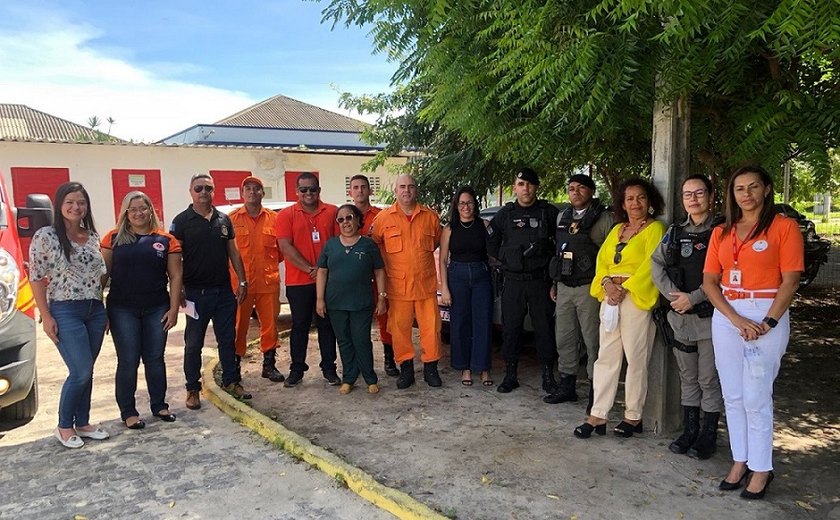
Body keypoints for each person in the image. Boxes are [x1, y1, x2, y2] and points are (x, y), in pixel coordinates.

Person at [703, 165, 803, 500]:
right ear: (732, 194)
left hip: (766, 315)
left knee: (756, 396)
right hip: (728, 315)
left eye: (753, 187)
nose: (746, 195)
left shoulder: (784, 227)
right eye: (739, 189)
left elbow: (790, 281)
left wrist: (768, 322)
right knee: (732, 394)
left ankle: (762, 468)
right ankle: (740, 460)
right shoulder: (722, 231)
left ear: (767, 189)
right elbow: (710, 283)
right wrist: (734, 319)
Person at [574, 177, 666, 439]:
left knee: (636, 359)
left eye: (640, 198)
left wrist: (624, 287)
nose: (635, 203)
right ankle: (598, 415)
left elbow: (652, 265)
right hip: (610, 300)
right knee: (606, 358)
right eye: (629, 198)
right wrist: (607, 285)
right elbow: (602, 262)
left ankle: (633, 416)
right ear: (622, 204)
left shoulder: (655, 229)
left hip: (635, 299)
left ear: (649, 202)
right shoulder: (616, 231)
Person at [30, 181, 110, 448]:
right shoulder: (46, 236)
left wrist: (103, 307)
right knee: (80, 370)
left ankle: (83, 422)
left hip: (95, 310)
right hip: (65, 310)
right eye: (71, 202)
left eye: (81, 202)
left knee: (88, 369)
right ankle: (64, 425)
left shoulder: (92, 236)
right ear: (60, 205)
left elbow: (99, 276)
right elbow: (36, 277)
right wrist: (46, 316)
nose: (76, 207)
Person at [651, 175, 723, 459]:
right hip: (680, 317)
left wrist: (692, 298)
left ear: (711, 195)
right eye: (687, 194)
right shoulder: (675, 231)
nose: (693, 199)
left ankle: (708, 435)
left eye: (699, 193)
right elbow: (656, 264)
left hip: (708, 318)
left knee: (708, 379)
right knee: (688, 377)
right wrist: (674, 297)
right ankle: (690, 430)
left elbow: (725, 273)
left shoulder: (721, 230)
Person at [101, 191, 183, 429]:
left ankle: (159, 405)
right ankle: (128, 411)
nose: (138, 213)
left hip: (157, 308)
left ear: (151, 211)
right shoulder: (113, 238)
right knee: (128, 361)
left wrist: (174, 309)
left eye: (142, 208)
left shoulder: (166, 240)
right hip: (121, 309)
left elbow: (176, 276)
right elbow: (102, 275)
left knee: (155, 359)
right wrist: (99, 310)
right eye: (132, 209)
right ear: (126, 213)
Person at [170, 173, 250, 410]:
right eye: (198, 188)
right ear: (191, 191)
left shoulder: (224, 220)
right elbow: (175, 259)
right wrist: (178, 288)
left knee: (227, 339)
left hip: (223, 292)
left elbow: (234, 253)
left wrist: (242, 282)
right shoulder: (181, 221)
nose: (203, 192)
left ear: (214, 191)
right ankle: (192, 389)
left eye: (208, 188)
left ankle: (231, 381)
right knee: (193, 343)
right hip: (195, 294)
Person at [486, 167, 560, 395]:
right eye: (520, 184)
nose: (525, 188)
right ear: (514, 188)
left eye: (529, 184)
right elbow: (490, 241)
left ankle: (548, 375)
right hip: (513, 281)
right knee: (511, 329)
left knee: (544, 328)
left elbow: (562, 243)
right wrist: (507, 259)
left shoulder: (548, 212)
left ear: (536, 187)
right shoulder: (505, 215)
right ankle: (510, 374)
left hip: (540, 281)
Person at [545, 174, 613, 406]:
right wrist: (554, 284)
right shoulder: (562, 216)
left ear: (591, 191)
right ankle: (567, 384)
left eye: (581, 188)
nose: (575, 192)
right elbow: (559, 251)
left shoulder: (604, 219)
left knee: (593, 340)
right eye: (571, 188)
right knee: (564, 337)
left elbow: (611, 257)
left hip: (590, 287)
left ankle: (596, 389)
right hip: (564, 285)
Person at [370, 174, 443, 388]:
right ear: (395, 190)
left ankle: (431, 369)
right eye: (402, 187)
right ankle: (406, 370)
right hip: (397, 287)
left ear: (416, 190)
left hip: (425, 285)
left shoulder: (430, 217)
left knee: (431, 329)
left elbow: (437, 241)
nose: (407, 191)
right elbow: (374, 246)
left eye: (411, 186)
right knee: (400, 330)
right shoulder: (383, 218)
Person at [275, 172, 339, 387]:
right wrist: (311, 269)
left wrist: (322, 271)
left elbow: (340, 243)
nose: (308, 193)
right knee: (300, 326)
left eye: (312, 189)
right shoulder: (285, 215)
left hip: (328, 281)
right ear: (297, 192)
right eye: (304, 190)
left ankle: (329, 368)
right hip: (298, 281)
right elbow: (285, 247)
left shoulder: (332, 212)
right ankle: (296, 369)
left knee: (327, 325)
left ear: (319, 190)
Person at [315, 204, 387, 394]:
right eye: (341, 219)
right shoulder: (330, 245)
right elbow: (322, 271)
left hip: (361, 303)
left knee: (361, 339)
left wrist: (381, 298)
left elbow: (379, 271)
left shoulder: (368, 245)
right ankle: (349, 378)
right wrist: (319, 299)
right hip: (336, 303)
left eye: (349, 217)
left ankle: (370, 378)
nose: (345, 222)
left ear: (357, 219)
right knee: (344, 340)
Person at [229, 176, 285, 383]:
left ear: (263, 192)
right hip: (240, 286)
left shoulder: (274, 219)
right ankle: (233, 366)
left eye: (257, 188)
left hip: (268, 283)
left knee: (270, 325)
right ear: (242, 193)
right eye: (248, 189)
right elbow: (226, 253)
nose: (252, 192)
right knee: (238, 326)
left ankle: (269, 365)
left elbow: (281, 251)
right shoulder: (232, 219)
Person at [439, 186, 494, 386]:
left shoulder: (484, 225)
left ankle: (483, 367)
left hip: (481, 276)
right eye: (461, 203)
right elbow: (443, 259)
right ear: (456, 205)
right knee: (460, 323)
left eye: (469, 202)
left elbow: (494, 252)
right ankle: (465, 367)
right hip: (457, 276)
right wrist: (444, 288)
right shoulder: (449, 228)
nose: (466, 207)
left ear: (475, 204)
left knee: (483, 321)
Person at [349, 174, 399, 377]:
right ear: (350, 192)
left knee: (385, 318)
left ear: (370, 190)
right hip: (354, 279)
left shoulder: (382, 216)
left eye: (363, 187)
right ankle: (358, 363)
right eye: (356, 187)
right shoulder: (344, 216)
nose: (360, 191)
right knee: (356, 323)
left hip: (379, 275)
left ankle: (389, 359)